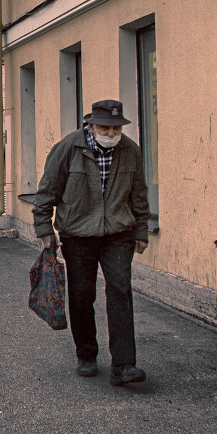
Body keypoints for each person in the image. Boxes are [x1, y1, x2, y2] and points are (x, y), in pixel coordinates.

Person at [32, 99, 151, 387]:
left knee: (120, 291)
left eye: (115, 128)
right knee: (83, 296)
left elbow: (138, 193)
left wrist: (142, 230)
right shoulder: (69, 148)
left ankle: (124, 365)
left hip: (118, 233)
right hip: (78, 233)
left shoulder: (130, 150)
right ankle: (86, 354)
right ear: (91, 125)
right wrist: (44, 227)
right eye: (105, 128)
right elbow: (48, 188)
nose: (111, 134)